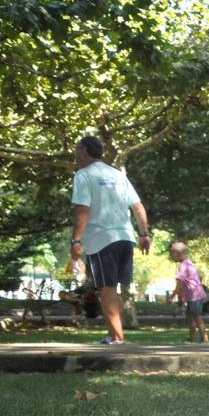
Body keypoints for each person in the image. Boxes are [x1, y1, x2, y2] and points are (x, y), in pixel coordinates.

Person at [70, 135, 151, 344]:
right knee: (114, 288)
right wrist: (144, 234)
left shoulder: (83, 175)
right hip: (125, 236)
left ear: (85, 152)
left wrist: (75, 241)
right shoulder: (118, 175)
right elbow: (138, 206)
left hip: (101, 238)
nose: (75, 154)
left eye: (77, 150)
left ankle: (116, 337)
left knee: (106, 289)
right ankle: (113, 333)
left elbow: (82, 209)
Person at [169, 238, 209, 343]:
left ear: (179, 253)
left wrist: (171, 297)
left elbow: (179, 284)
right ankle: (191, 338)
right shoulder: (189, 263)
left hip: (195, 297)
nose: (171, 256)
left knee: (196, 317)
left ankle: (204, 337)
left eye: (172, 253)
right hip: (193, 296)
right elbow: (198, 277)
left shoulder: (184, 266)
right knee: (190, 317)